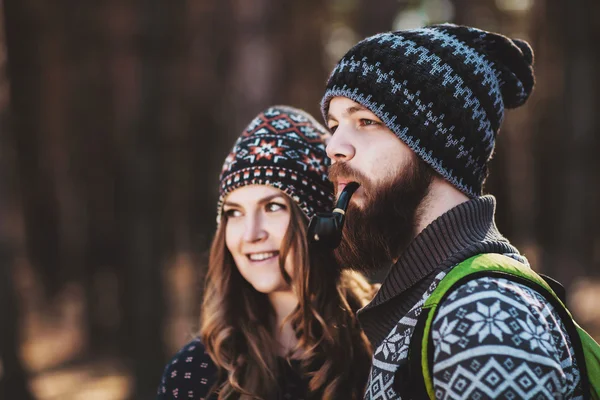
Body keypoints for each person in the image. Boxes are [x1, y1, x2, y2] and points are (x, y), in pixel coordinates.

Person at [320, 24, 585, 398]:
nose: (335, 146)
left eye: (366, 121)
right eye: (334, 125)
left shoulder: (484, 317)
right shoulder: (437, 300)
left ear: (436, 147)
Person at [157, 105, 374, 400]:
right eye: (234, 213)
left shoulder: (382, 345)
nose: (251, 234)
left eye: (272, 207)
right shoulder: (195, 373)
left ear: (322, 222)